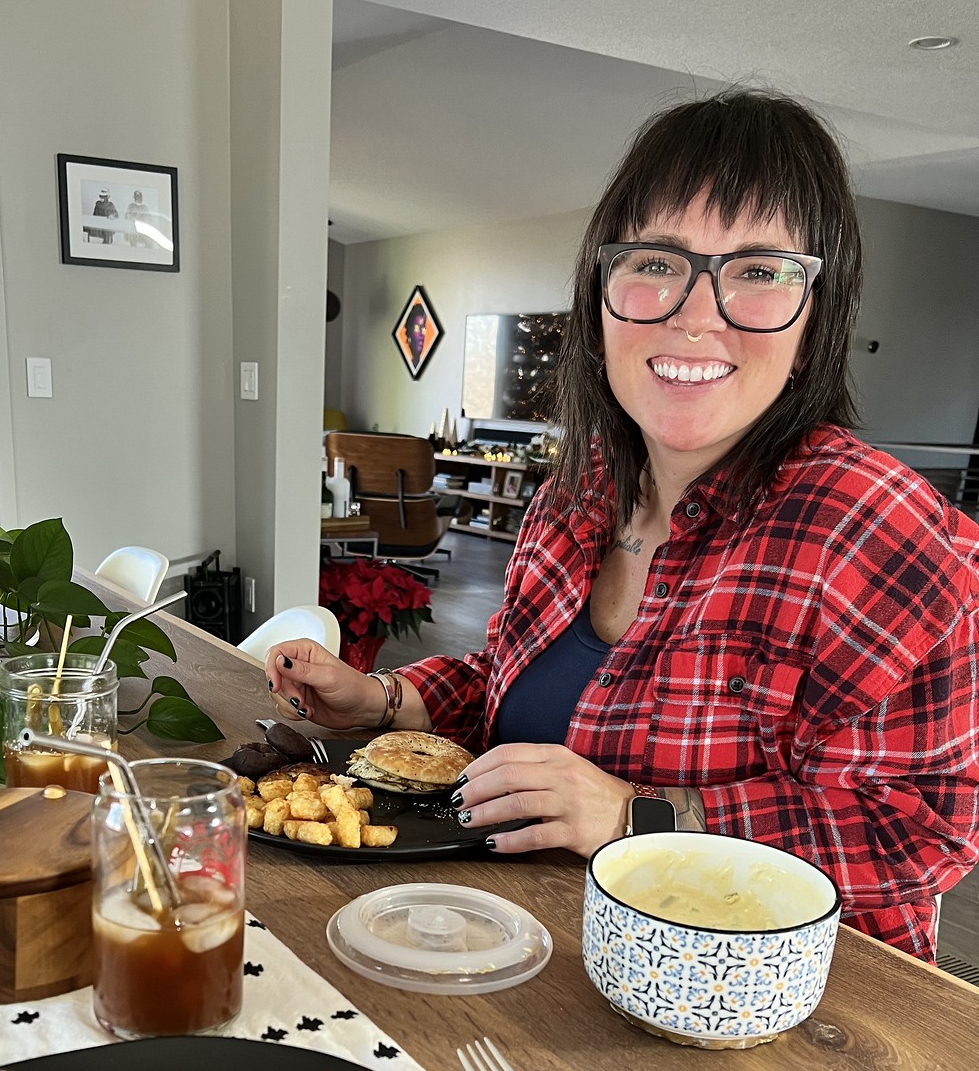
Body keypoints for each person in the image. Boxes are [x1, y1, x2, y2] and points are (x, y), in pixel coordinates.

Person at [266, 90, 979, 961]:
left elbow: (917, 834)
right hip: (532, 949)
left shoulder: (883, 533)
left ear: (817, 313)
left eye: (760, 271)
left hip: (767, 1006)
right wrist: (381, 699)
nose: (696, 314)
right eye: (657, 261)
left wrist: (637, 817)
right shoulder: (578, 493)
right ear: (602, 296)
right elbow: (513, 683)